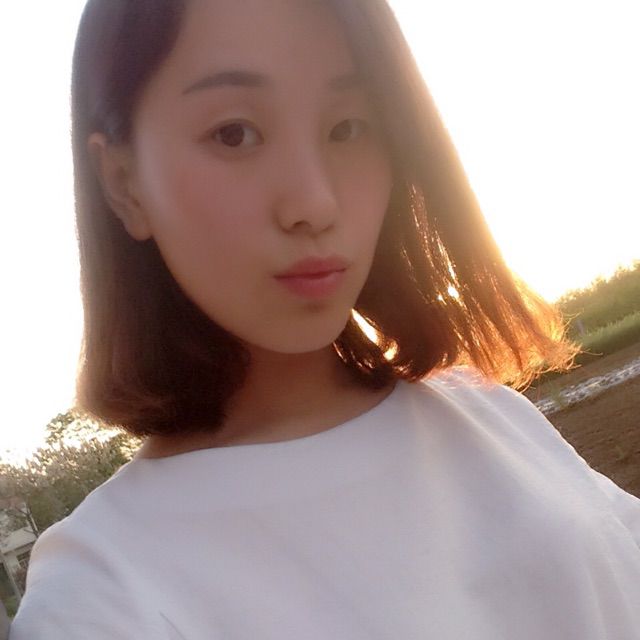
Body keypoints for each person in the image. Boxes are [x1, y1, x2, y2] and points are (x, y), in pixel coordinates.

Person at [10, 0, 640, 638]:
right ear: (123, 184)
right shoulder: (102, 597)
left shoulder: (485, 410)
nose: (314, 202)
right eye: (234, 133)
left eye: (348, 128)